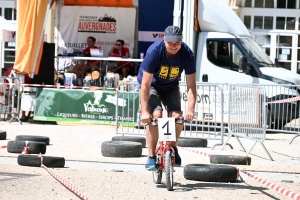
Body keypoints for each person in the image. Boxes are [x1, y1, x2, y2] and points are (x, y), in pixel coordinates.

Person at [137, 25, 197, 171]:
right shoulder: (154, 52)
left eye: (177, 42)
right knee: (156, 115)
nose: (174, 46)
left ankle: (173, 148)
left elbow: (191, 85)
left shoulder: (187, 54)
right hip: (152, 85)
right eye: (171, 43)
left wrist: (191, 109)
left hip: (170, 86)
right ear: (164, 40)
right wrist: (144, 112)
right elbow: (145, 85)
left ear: (181, 40)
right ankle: (151, 156)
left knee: (177, 116)